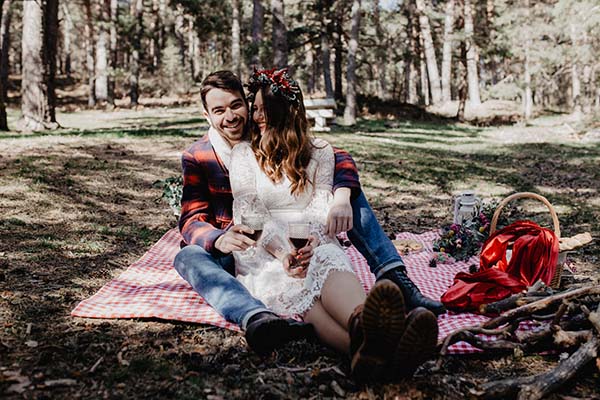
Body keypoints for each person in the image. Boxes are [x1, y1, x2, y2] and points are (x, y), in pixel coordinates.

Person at [173, 70, 443, 357]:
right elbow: (192, 218)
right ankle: (259, 316)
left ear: (246, 104)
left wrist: (340, 198)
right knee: (188, 256)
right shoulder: (200, 155)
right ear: (207, 116)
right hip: (242, 244)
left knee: (343, 207)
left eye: (237, 105)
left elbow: (335, 156)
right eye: (219, 111)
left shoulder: (266, 130)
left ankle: (385, 290)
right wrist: (218, 238)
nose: (231, 116)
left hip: (300, 236)